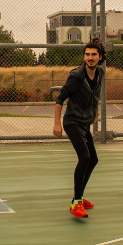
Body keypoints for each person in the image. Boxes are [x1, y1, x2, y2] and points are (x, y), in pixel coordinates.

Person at [53, 39, 104, 218]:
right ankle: (76, 202)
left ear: (100, 57)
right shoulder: (76, 76)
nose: (90, 58)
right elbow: (60, 99)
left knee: (93, 159)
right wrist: (57, 123)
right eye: (87, 54)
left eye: (93, 55)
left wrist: (96, 110)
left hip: (84, 122)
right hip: (72, 122)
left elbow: (96, 94)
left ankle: (79, 198)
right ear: (84, 57)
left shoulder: (100, 73)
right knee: (84, 157)